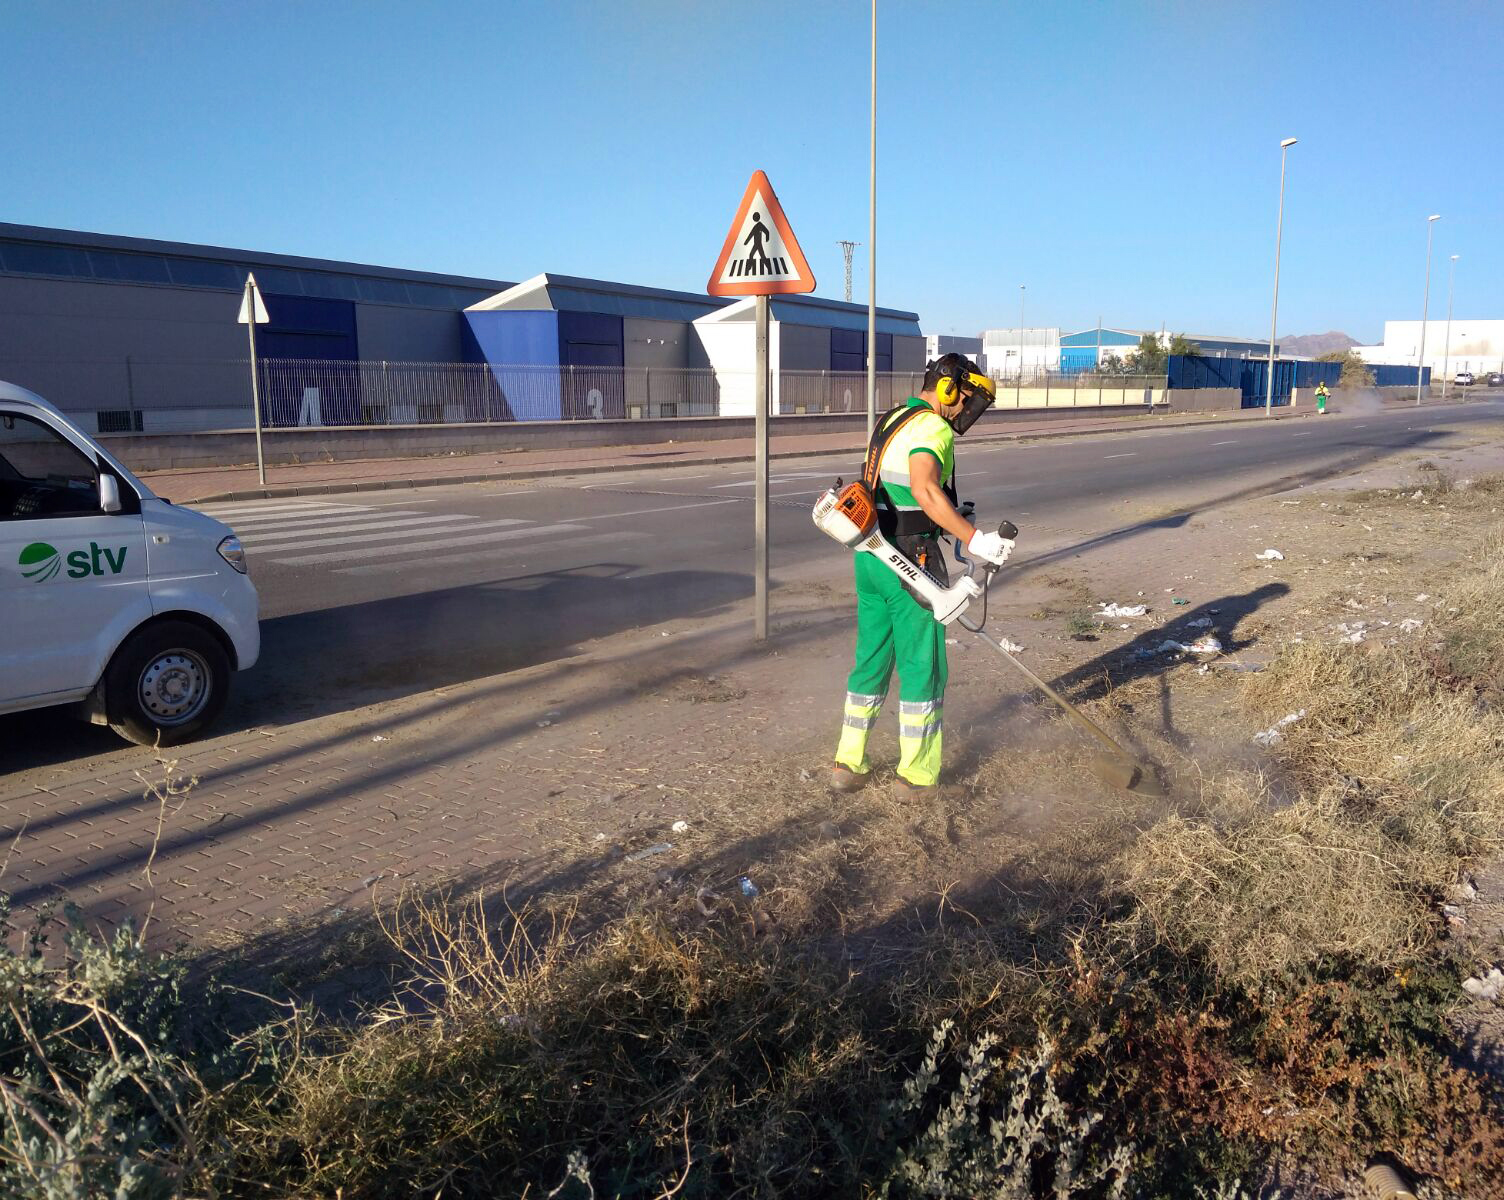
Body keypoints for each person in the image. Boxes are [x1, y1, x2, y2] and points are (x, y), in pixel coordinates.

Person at [831, 354, 1014, 797]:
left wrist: (947, 515)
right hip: (909, 561)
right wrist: (973, 537)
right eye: (966, 399)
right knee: (922, 666)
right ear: (951, 389)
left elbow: (900, 491)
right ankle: (916, 776)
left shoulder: (895, 416)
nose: (965, 410)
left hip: (870, 555)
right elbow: (924, 488)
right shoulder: (932, 427)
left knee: (872, 658)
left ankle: (848, 763)